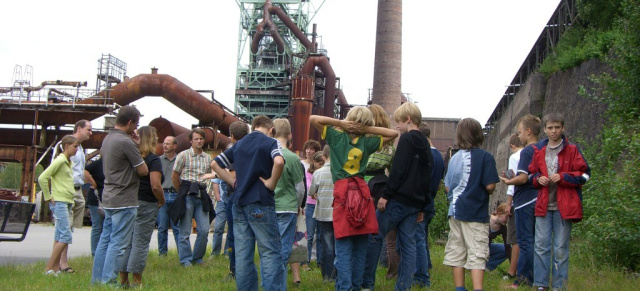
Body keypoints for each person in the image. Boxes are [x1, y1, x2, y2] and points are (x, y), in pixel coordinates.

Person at [309, 106, 398, 291]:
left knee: (343, 246)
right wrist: (367, 130)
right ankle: (356, 286)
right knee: (360, 246)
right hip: (362, 192)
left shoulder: (336, 136)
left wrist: (340, 123)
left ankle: (344, 287)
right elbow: (392, 133)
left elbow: (313, 118)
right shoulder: (368, 142)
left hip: (342, 192)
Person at [362, 102, 433, 291]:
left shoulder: (406, 139)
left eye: (399, 122)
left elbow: (397, 170)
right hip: (414, 203)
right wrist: (423, 206)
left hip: (398, 199)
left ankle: (366, 283)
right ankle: (404, 286)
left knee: (374, 235)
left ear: (408, 120)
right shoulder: (425, 145)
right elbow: (427, 177)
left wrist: (386, 195)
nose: (397, 126)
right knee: (408, 245)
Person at [211, 115, 285, 291]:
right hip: (260, 201)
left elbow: (215, 164)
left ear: (253, 126)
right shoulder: (270, 143)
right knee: (269, 251)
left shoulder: (239, 144)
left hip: (239, 202)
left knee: (243, 253)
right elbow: (279, 161)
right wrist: (271, 183)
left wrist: (232, 181)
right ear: (271, 130)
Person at [530, 113, 590, 291]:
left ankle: (559, 286)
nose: (554, 131)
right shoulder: (539, 150)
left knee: (561, 248)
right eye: (550, 128)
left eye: (557, 127)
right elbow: (531, 175)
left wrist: (563, 177)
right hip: (543, 206)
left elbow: (585, 175)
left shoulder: (572, 149)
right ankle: (541, 285)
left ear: (563, 128)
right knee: (541, 246)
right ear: (545, 130)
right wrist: (538, 179)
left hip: (565, 207)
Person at [91, 105, 149, 285]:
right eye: (136, 124)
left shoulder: (108, 139)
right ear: (130, 122)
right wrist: (138, 146)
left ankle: (97, 281)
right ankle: (109, 282)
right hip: (124, 199)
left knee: (105, 240)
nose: (136, 128)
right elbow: (143, 170)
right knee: (118, 244)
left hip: (109, 196)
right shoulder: (126, 142)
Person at [443, 118, 500, 291]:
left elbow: (447, 187)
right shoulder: (485, 157)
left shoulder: (454, 158)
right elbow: (490, 185)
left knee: (457, 250)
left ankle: (460, 288)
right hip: (475, 211)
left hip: (455, 210)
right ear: (478, 135)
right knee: (477, 251)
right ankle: (477, 288)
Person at [119, 126, 165, 287]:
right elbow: (155, 185)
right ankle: (137, 281)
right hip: (146, 202)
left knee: (127, 241)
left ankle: (123, 280)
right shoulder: (153, 159)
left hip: (128, 201)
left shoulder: (132, 157)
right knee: (140, 242)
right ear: (152, 139)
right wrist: (161, 200)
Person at [501, 114, 542, 288]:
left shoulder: (526, 151)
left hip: (524, 200)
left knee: (524, 241)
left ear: (528, 131)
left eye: (520, 132)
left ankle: (523, 278)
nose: (519, 136)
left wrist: (509, 181)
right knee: (536, 241)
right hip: (538, 198)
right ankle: (536, 277)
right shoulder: (542, 149)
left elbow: (523, 178)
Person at [50, 119, 94, 273]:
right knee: (63, 230)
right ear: (79, 128)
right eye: (88, 129)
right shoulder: (65, 145)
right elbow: (52, 171)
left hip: (77, 190)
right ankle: (56, 265)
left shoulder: (80, 149)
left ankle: (61, 263)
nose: (91, 132)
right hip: (65, 192)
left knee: (68, 229)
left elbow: (79, 171)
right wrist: (52, 194)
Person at [362, 104, 397, 280]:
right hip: (380, 189)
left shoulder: (362, 141)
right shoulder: (389, 146)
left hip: (360, 186)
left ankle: (358, 272)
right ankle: (370, 276)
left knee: (358, 232)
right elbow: (393, 172)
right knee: (375, 234)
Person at [171, 128, 215, 267]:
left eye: (201, 138)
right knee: (184, 230)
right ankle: (185, 259)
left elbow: (210, 175)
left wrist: (207, 190)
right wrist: (181, 192)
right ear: (191, 141)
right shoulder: (183, 155)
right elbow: (175, 175)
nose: (199, 141)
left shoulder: (208, 158)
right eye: (196, 138)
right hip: (187, 194)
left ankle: (197, 258)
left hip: (201, 195)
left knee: (203, 229)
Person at [271, 118, 306, 288]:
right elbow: (300, 188)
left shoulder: (266, 154)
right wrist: (298, 205)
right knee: (284, 249)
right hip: (288, 207)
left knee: (269, 250)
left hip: (268, 206)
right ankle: (278, 285)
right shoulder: (293, 158)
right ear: (290, 135)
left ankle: (269, 283)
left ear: (271, 132)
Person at [39, 135, 79, 275]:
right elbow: (42, 177)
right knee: (65, 236)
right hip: (60, 201)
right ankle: (48, 268)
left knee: (59, 235)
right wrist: (48, 196)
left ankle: (55, 269)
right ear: (67, 146)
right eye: (75, 146)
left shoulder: (67, 162)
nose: (77, 149)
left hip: (67, 201)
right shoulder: (60, 160)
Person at [413, 121, 445, 288]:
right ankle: (427, 266)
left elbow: (424, 183)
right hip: (430, 201)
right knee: (422, 238)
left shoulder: (427, 155)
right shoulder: (438, 155)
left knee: (418, 238)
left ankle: (421, 277)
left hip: (422, 202)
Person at [221, 120, 250, 280]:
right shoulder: (253, 148)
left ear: (231, 136)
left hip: (236, 196)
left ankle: (235, 271)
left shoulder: (234, 149)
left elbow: (233, 176)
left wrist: (221, 173)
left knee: (234, 235)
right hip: (253, 196)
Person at [311, 146, 336, 281]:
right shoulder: (340, 172)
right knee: (339, 245)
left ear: (323, 156)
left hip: (323, 213)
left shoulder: (318, 173)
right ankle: (338, 274)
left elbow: (311, 192)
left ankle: (328, 275)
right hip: (338, 213)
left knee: (327, 245)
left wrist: (316, 193)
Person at [503, 133, 524, 280]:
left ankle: (512, 271)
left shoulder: (514, 157)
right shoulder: (532, 152)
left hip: (518, 201)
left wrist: (508, 204)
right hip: (531, 201)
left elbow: (512, 183)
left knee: (515, 238)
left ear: (512, 146)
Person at [301, 139, 322, 270]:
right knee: (309, 234)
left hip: (320, 204)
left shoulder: (320, 169)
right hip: (309, 203)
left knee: (319, 235)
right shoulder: (304, 167)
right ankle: (306, 260)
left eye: (311, 149)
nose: (308, 151)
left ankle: (320, 260)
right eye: (307, 148)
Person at [157, 136, 179, 256]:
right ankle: (162, 254)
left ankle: (181, 253)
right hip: (163, 194)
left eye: (168, 144)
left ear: (175, 146)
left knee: (177, 227)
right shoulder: (159, 160)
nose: (164, 146)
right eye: (164, 143)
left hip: (176, 194)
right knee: (162, 227)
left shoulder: (180, 159)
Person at [84, 157, 105, 257]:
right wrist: (93, 182)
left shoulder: (114, 163)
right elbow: (85, 170)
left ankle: (104, 252)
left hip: (109, 199)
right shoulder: (98, 163)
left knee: (107, 227)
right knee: (97, 227)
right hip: (96, 198)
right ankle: (95, 253)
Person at [487, 204, 511, 272]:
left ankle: (488, 266)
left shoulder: (503, 228)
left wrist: (512, 267)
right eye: (506, 217)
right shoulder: (486, 219)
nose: (507, 220)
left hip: (489, 246)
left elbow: (507, 246)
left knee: (504, 249)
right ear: (499, 214)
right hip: (478, 246)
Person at [210, 174, 228, 257]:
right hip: (222, 203)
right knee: (218, 228)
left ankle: (227, 252)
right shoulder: (222, 164)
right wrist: (218, 198)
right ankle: (215, 252)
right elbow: (215, 183)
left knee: (231, 230)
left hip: (232, 201)